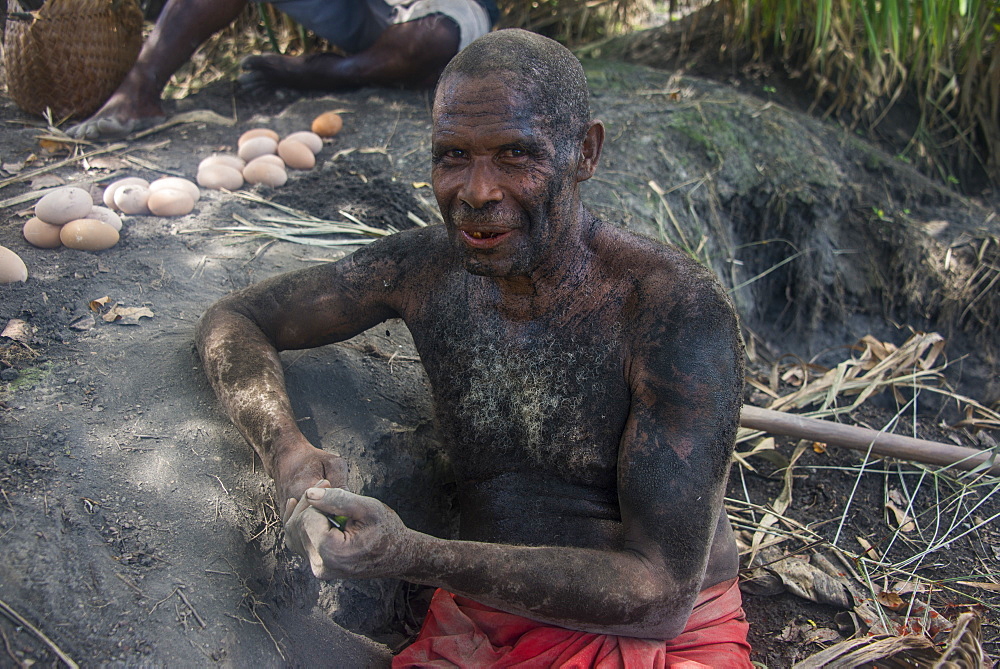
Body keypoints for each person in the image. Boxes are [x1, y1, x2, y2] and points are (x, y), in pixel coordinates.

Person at [196, 28, 752, 667]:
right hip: (480, 623)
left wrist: (414, 555)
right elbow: (234, 319)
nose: (478, 191)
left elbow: (661, 596)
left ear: (586, 152)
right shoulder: (423, 269)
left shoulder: (669, 308)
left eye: (516, 155)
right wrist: (286, 451)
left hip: (655, 639)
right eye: (453, 155)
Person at [68, 0, 498, 139]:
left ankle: (330, 72)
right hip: (361, 9)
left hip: (438, 12)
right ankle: (139, 90)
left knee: (436, 37)